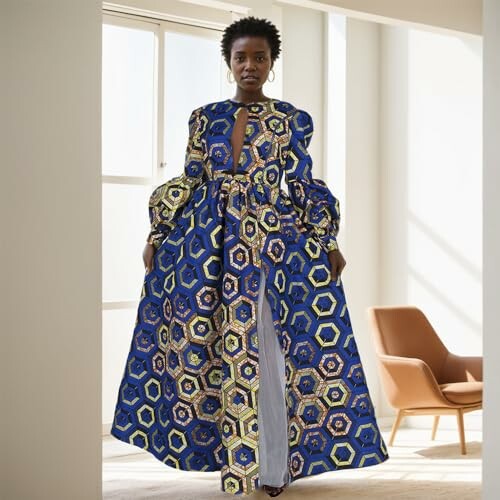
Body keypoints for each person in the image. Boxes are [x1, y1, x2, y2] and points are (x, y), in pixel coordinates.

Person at [110, 15, 389, 498]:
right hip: (208, 243)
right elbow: (192, 178)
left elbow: (300, 184)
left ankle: (272, 467)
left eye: (260, 57)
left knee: (268, 350)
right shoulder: (204, 118)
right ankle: (233, 461)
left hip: (268, 243)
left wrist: (328, 241)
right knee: (216, 351)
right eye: (241, 57)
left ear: (272, 63)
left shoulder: (291, 120)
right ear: (228, 63)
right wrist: (159, 232)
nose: (250, 65)